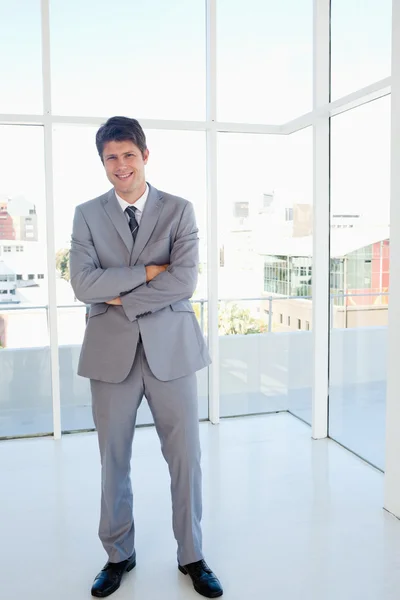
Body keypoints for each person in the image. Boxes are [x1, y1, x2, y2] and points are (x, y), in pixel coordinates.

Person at [69, 116, 223, 599]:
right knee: (112, 458)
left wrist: (119, 297)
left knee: (186, 458)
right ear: (103, 163)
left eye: (128, 155)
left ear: (145, 155)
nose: (121, 166)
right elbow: (82, 284)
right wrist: (148, 271)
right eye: (111, 158)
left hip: (171, 352)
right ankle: (118, 554)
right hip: (110, 354)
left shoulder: (179, 210)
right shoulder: (87, 214)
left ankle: (192, 555)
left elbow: (184, 281)